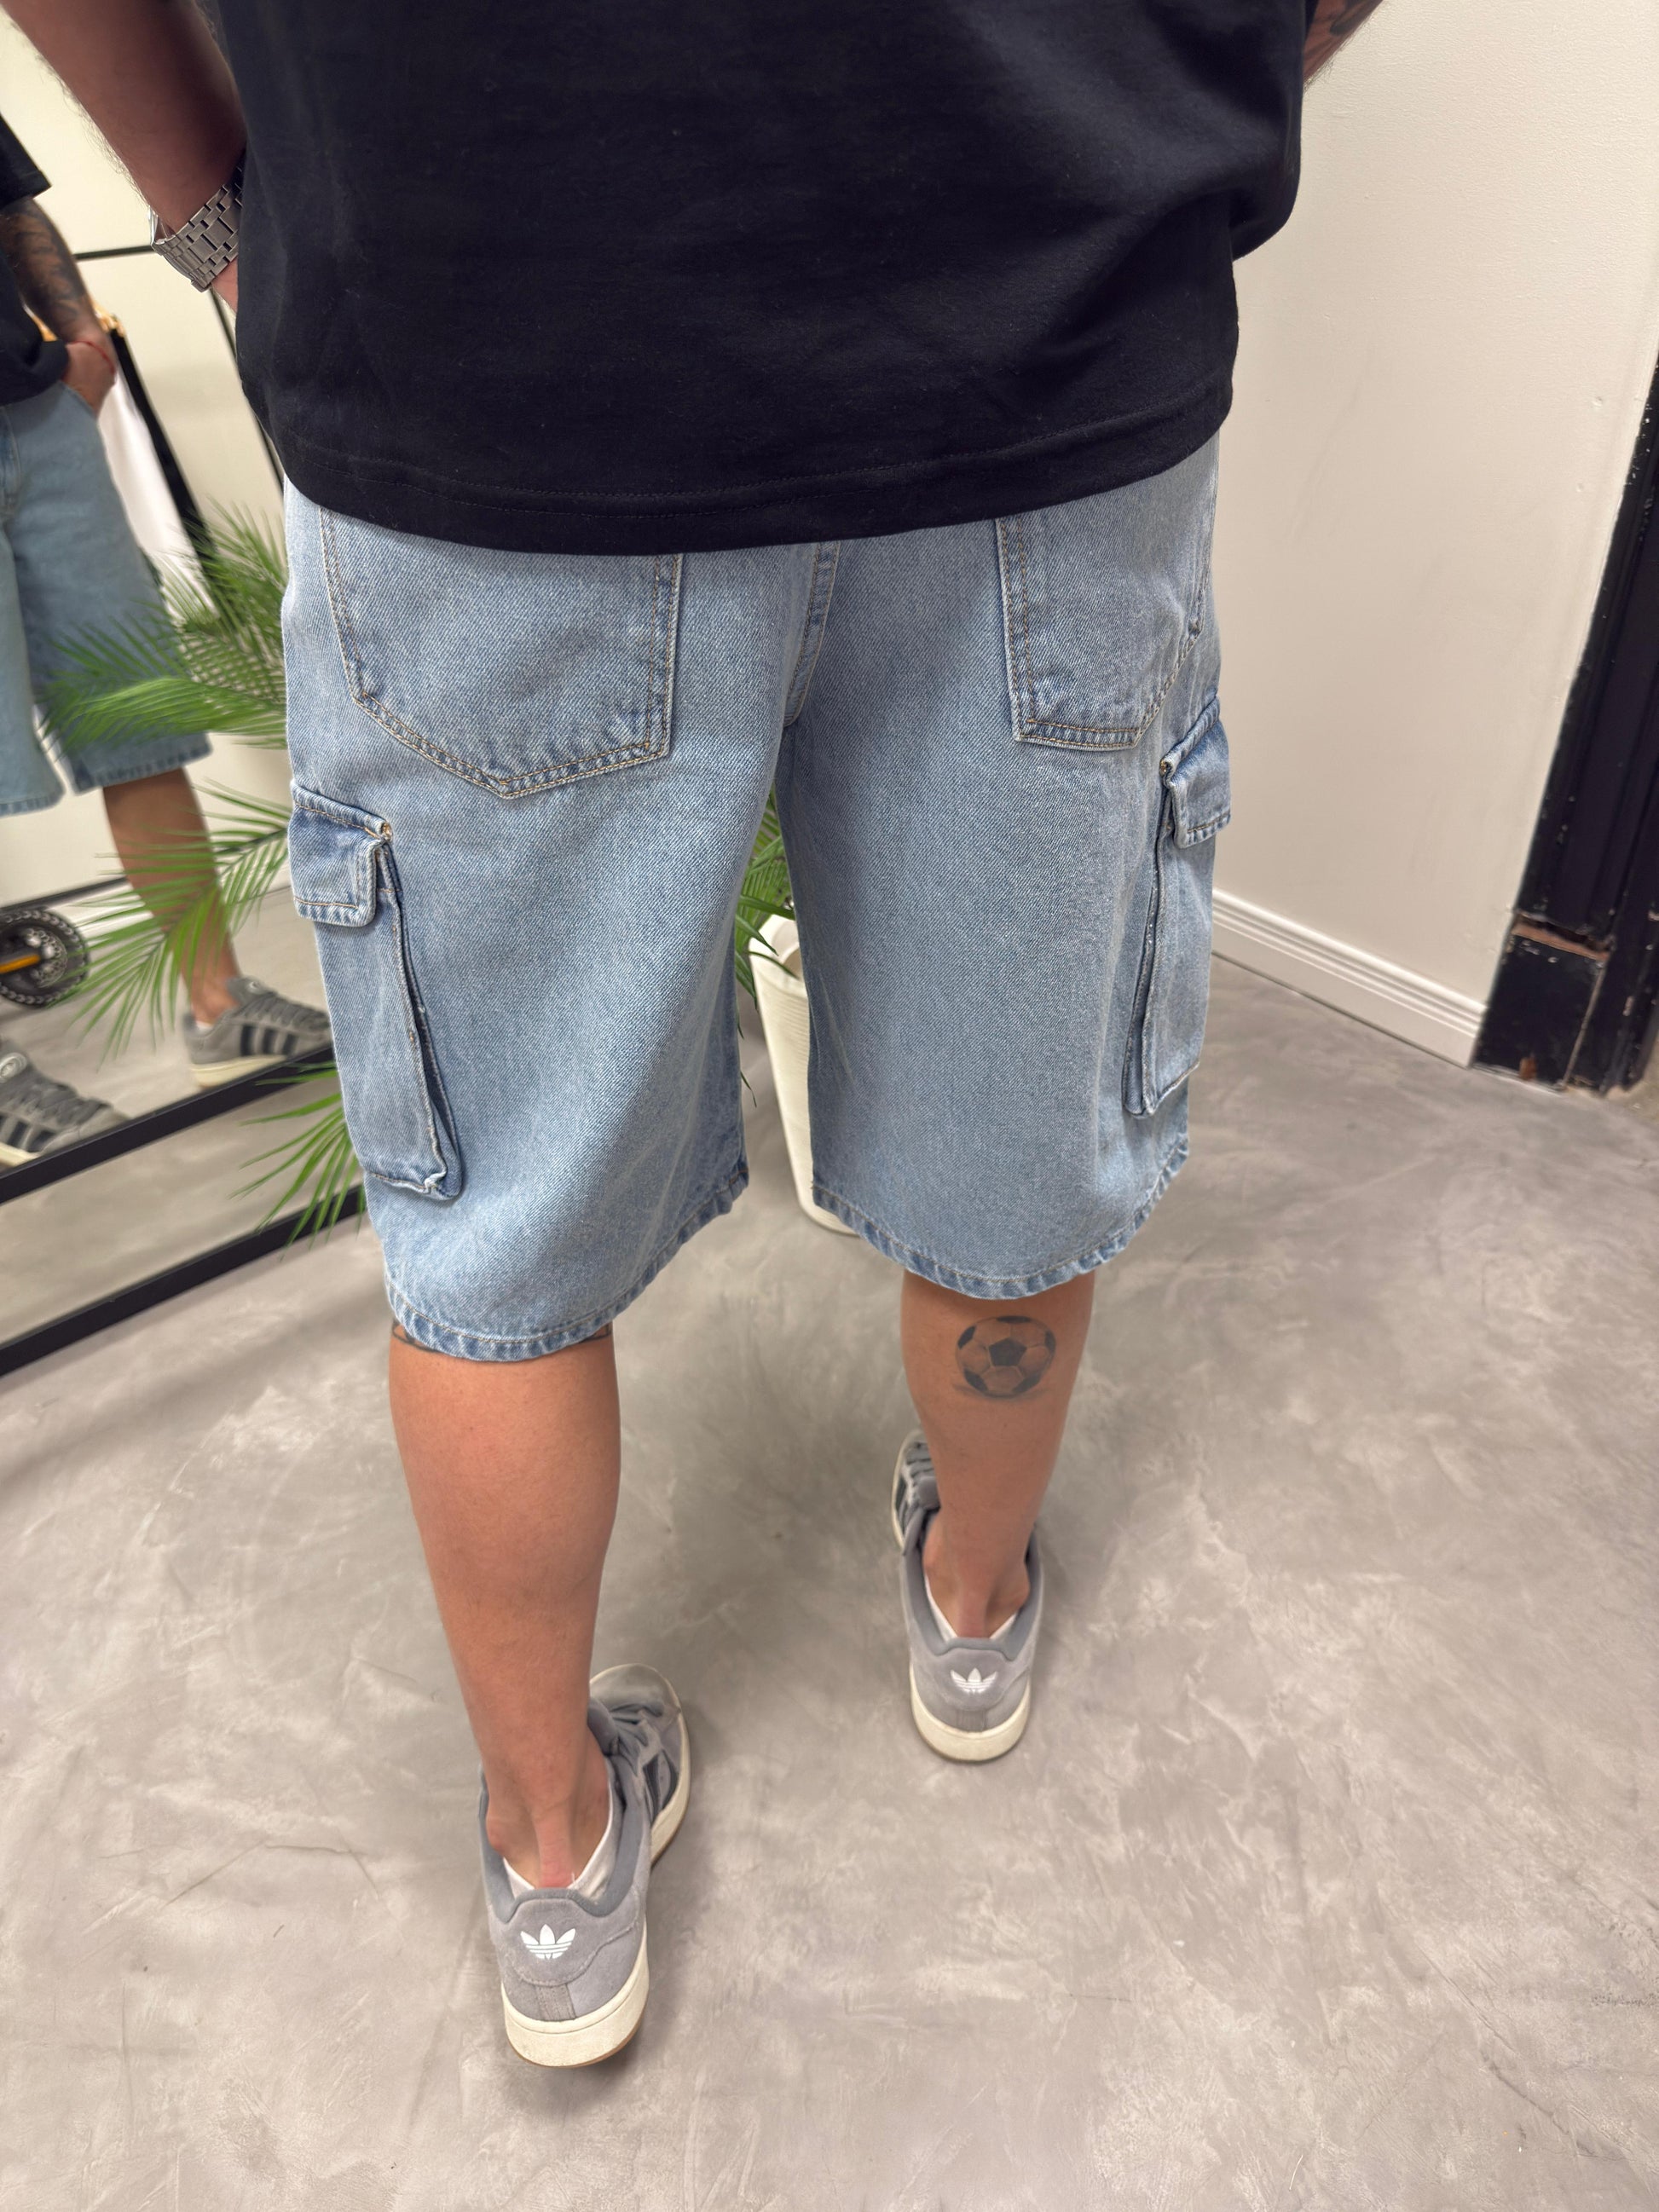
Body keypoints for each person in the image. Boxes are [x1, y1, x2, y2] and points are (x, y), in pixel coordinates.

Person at [8, 0, 1385, 2064]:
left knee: (505, 1223)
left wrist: (218, 207)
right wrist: (1148, 98)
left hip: (485, 356)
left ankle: (555, 1856)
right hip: (1057, 356)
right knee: (1016, 1129)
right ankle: (974, 1609)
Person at [0, 107, 327, 1164]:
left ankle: (219, 1007)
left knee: (138, 720)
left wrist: (84, 343)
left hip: (36, 417)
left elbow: (13, 202)